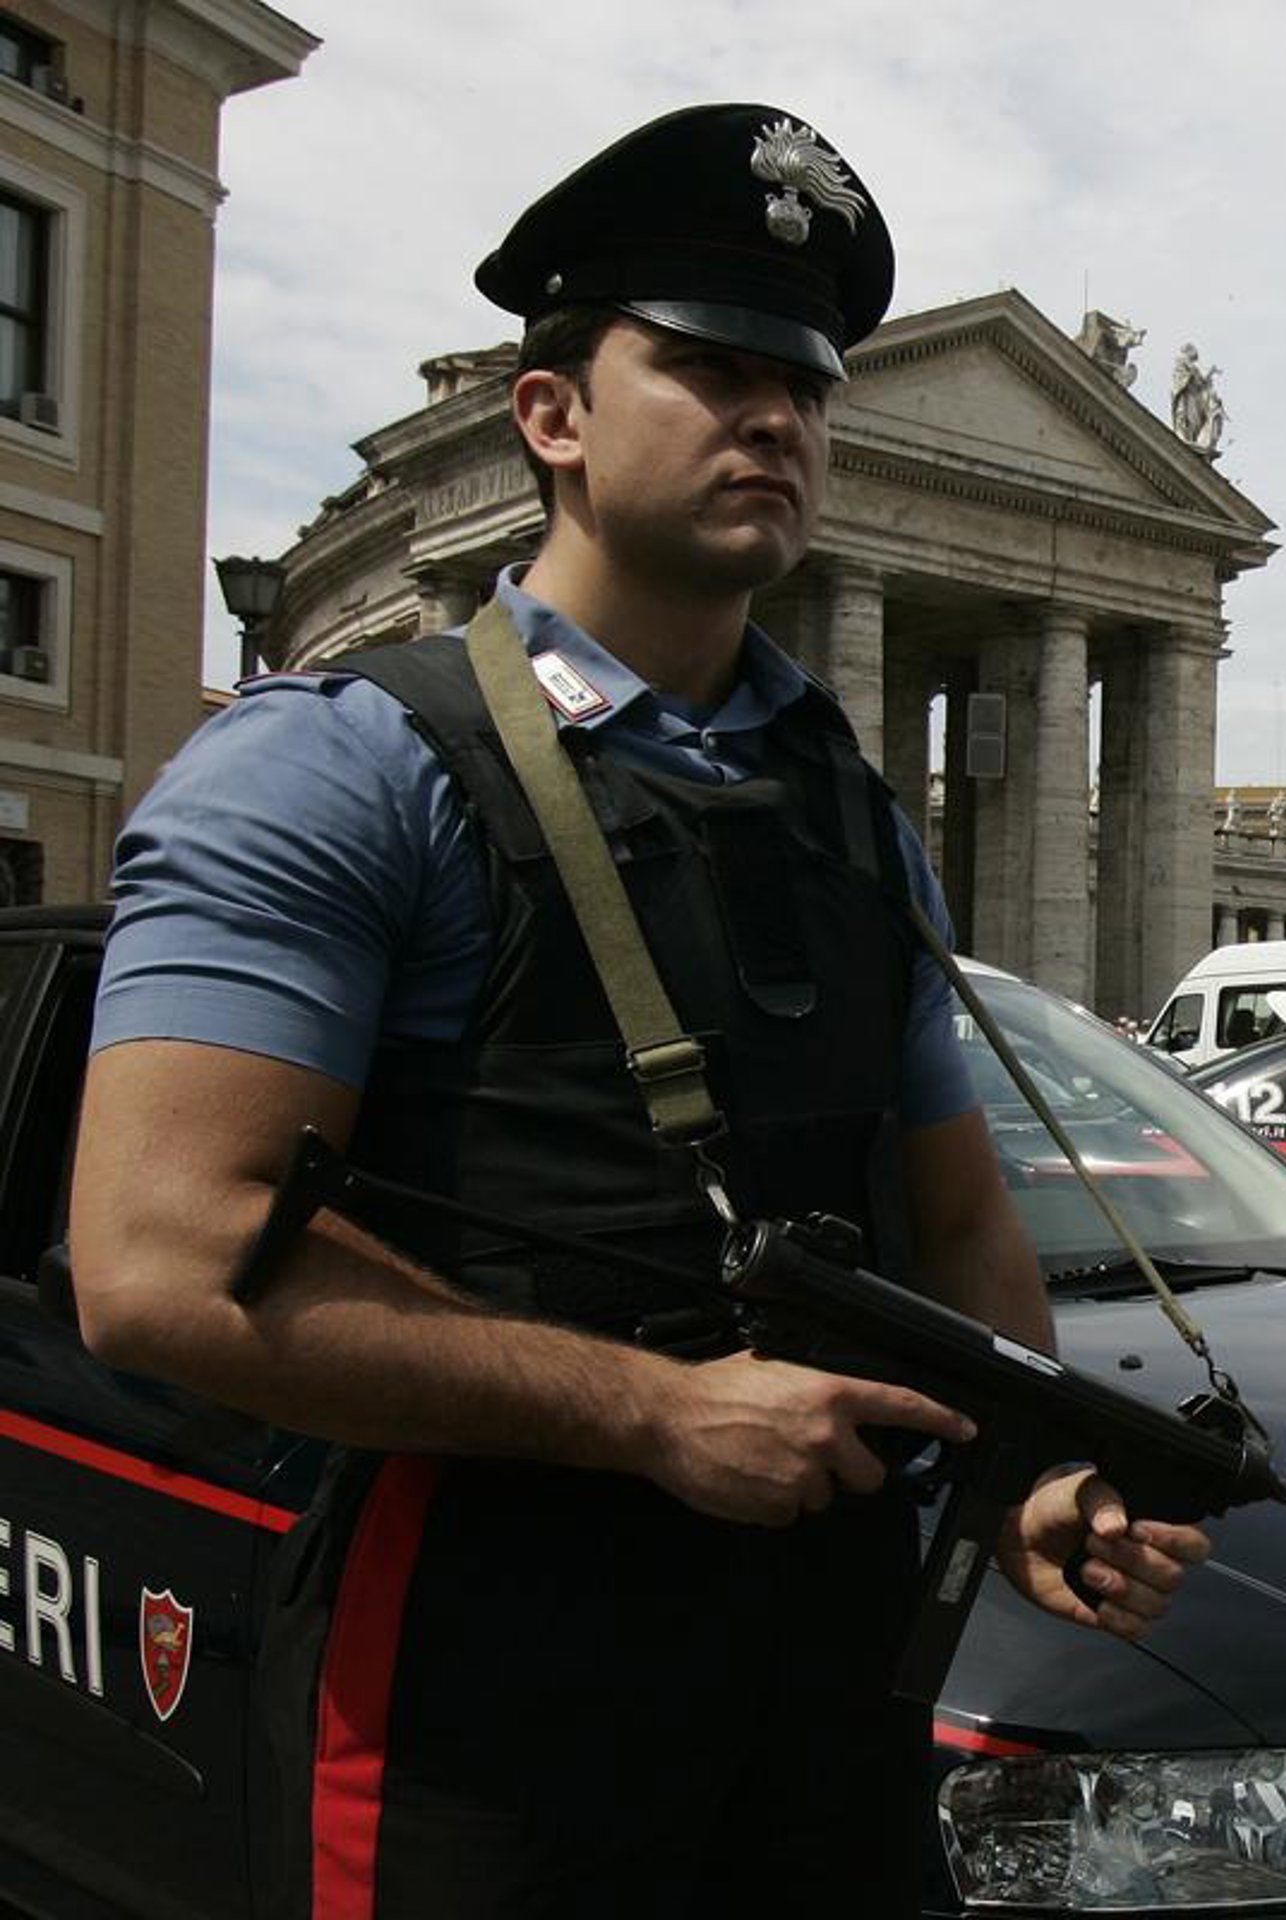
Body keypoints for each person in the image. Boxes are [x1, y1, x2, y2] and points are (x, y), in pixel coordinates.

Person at [69, 103, 1208, 1918]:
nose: (777, 420)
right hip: (483, 1693)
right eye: (709, 367)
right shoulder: (339, 768)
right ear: (553, 417)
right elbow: (161, 1264)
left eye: (807, 387)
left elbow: (959, 1221)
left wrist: (1032, 1471)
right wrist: (653, 1414)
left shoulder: (857, 818)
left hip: (825, 1680)